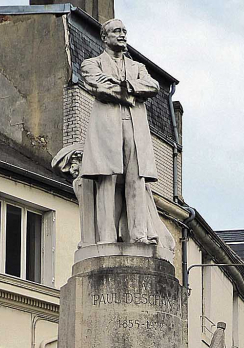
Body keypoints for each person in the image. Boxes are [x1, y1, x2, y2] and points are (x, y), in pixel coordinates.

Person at [80, 19, 163, 246]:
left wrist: (122, 84)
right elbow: (98, 86)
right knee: (107, 180)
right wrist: (130, 92)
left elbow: (153, 86)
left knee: (136, 180)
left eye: (125, 31)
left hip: (135, 128)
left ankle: (139, 234)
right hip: (107, 127)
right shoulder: (91, 63)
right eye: (117, 31)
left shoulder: (138, 68)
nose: (122, 35)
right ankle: (106, 238)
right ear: (105, 38)